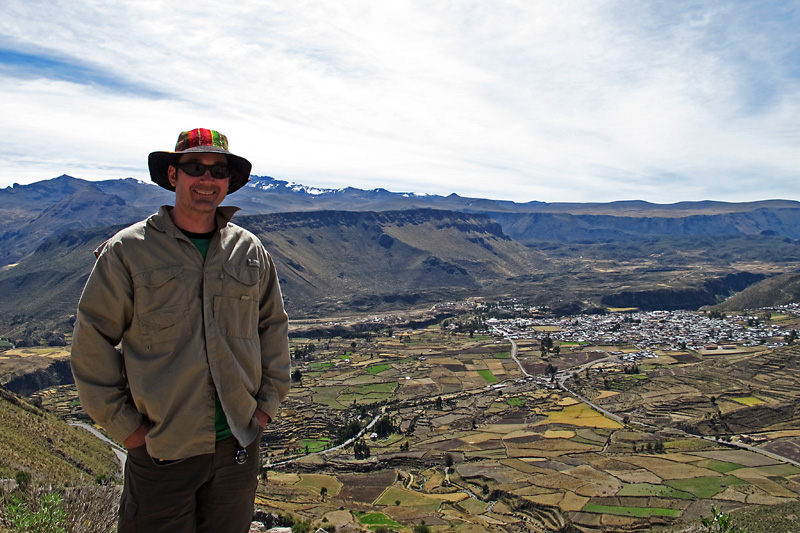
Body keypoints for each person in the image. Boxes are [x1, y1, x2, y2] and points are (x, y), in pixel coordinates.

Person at [71, 128, 290, 533]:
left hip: (238, 447)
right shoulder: (128, 251)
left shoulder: (250, 251)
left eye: (218, 170)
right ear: (173, 176)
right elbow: (92, 338)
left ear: (228, 181)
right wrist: (128, 430)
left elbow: (272, 327)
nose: (206, 180)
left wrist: (265, 408)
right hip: (162, 450)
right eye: (194, 167)